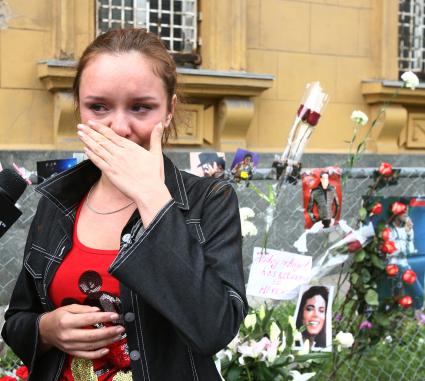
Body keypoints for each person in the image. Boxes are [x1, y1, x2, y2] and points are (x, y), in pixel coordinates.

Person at [1, 29, 248, 381]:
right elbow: (16, 322)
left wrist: (153, 199)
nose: (118, 127)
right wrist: (46, 329)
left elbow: (214, 329)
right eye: (98, 106)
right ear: (79, 109)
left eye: (141, 107)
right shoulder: (59, 202)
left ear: (170, 110)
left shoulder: (209, 202)